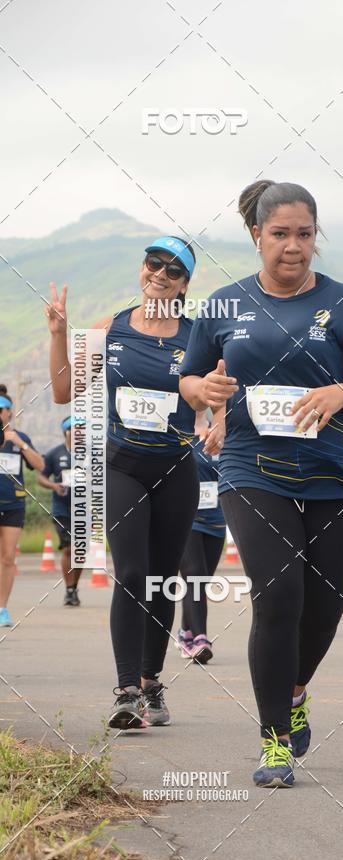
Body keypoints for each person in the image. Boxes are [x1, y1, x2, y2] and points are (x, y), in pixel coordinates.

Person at [180, 180, 343, 787]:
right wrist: (205, 392)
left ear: (314, 236)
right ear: (256, 236)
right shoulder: (223, 305)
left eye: (303, 234)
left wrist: (338, 393)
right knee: (279, 596)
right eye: (280, 234)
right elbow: (191, 380)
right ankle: (274, 741)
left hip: (333, 470)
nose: (293, 246)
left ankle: (295, 689)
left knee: (325, 603)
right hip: (251, 468)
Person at [45, 237, 207, 729]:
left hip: (176, 469)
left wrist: (217, 421)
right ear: (142, 269)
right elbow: (62, 391)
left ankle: (153, 679)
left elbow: (218, 394)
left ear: (184, 285)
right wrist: (58, 333)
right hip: (121, 467)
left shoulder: (199, 335)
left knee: (161, 579)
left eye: (172, 270)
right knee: (132, 573)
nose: (159, 273)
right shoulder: (110, 328)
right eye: (153, 263)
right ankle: (127, 690)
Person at [175, 412, 226, 663]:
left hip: (217, 520)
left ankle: (185, 633)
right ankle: (200, 639)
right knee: (194, 574)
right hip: (187, 519)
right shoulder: (179, 431)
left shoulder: (221, 432)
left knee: (200, 581)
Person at [0, 385, 44, 627]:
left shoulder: (20, 438)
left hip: (14, 504)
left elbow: (40, 466)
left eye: (1, 409)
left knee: (7, 558)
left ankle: (2, 609)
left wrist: (20, 443)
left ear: (9, 412)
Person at [37, 416, 83, 606]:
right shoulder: (54, 454)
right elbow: (41, 476)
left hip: (83, 509)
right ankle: (69, 589)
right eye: (74, 429)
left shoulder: (92, 454)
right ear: (66, 431)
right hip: (62, 509)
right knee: (67, 548)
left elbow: (103, 476)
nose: (78, 432)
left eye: (82, 429)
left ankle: (74, 588)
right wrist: (54, 486)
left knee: (80, 552)